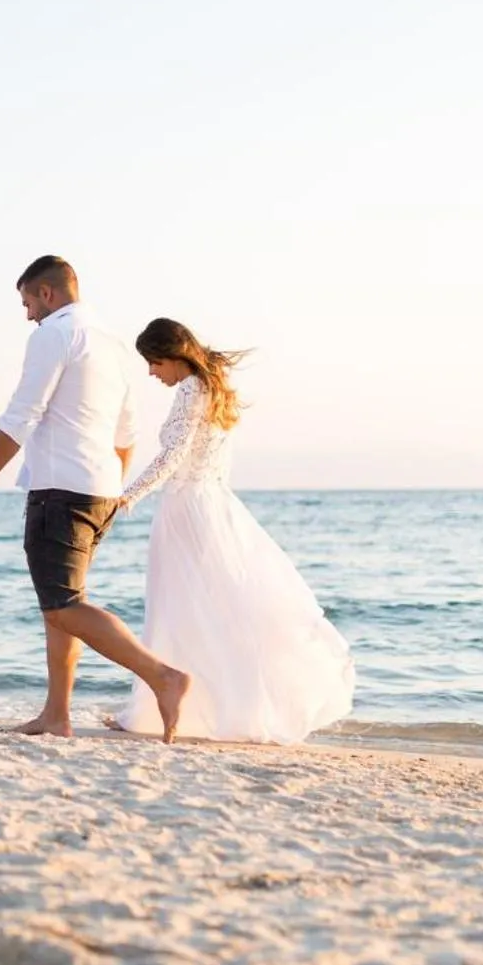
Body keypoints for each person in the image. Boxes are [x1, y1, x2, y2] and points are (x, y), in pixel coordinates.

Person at [0, 257, 191, 741]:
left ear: (47, 294)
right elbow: (127, 430)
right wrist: (107, 482)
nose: (27, 314)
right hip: (99, 490)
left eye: (27, 303)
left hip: (59, 489)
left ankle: (163, 677)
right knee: (62, 603)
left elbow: (22, 414)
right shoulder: (110, 343)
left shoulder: (53, 334)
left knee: (62, 605)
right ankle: (56, 715)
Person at [109, 318, 355, 742]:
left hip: (187, 510)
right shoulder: (214, 387)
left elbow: (172, 456)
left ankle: (167, 711)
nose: (152, 373)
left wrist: (126, 496)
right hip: (213, 504)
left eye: (153, 363)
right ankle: (181, 710)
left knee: (179, 609)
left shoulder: (190, 390)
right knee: (208, 611)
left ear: (172, 357)